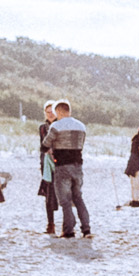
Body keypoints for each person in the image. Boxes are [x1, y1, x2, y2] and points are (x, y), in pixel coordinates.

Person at [48, 100, 92, 239]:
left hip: (62, 166)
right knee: (78, 198)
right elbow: (81, 145)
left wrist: (51, 150)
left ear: (59, 111)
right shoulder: (81, 126)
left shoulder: (56, 126)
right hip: (78, 166)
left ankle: (68, 230)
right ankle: (86, 229)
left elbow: (45, 144)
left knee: (65, 201)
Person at [37, 104, 63, 237]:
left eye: (52, 112)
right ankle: (51, 224)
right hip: (46, 163)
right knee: (48, 194)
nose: (50, 114)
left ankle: (66, 225)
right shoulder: (42, 128)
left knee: (64, 193)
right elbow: (42, 145)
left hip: (61, 163)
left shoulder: (61, 125)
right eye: (47, 112)